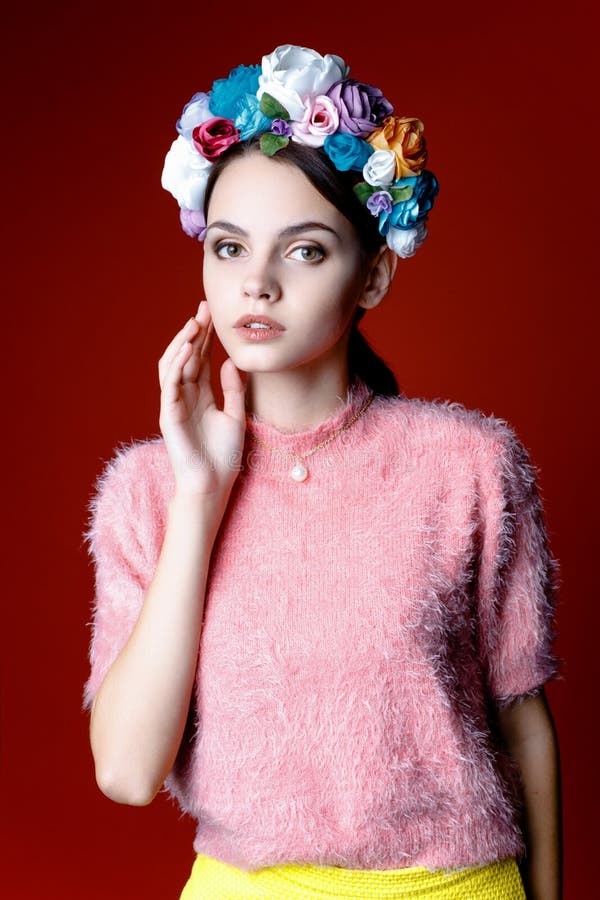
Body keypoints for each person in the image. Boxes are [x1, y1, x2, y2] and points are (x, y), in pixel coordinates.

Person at [83, 45, 562, 900]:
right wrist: (201, 498)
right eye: (229, 248)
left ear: (372, 274)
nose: (256, 284)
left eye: (303, 251)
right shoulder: (149, 492)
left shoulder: (471, 467)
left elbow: (523, 721)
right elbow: (125, 772)